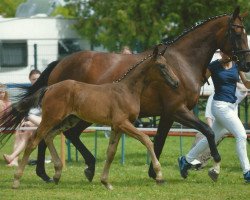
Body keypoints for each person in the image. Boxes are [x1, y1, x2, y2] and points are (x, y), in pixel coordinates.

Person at [178, 51, 250, 183]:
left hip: (231, 107)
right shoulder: (213, 66)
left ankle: (186, 160)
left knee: (211, 137)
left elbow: (245, 83)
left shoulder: (236, 64)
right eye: (223, 51)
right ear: (221, 52)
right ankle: (247, 172)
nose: (226, 54)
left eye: (228, 51)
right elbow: (199, 81)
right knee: (241, 135)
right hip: (219, 106)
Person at [190, 82, 248, 168]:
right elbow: (208, 116)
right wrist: (210, 130)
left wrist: (234, 81)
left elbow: (244, 89)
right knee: (199, 136)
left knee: (209, 139)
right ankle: (191, 160)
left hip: (228, 126)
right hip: (214, 126)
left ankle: (199, 162)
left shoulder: (232, 95)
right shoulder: (213, 97)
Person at [3, 69, 42, 167]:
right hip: (29, 120)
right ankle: (14, 160)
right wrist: (24, 120)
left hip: (43, 121)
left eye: (38, 78)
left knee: (26, 131)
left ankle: (13, 157)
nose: (36, 81)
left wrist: (29, 120)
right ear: (30, 80)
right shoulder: (28, 94)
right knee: (19, 132)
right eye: (33, 79)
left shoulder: (45, 92)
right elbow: (23, 111)